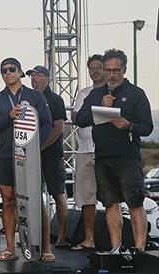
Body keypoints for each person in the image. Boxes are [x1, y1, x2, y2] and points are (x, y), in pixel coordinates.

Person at [76, 49, 153, 252]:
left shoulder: (136, 93)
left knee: (135, 202)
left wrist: (129, 125)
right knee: (110, 204)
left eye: (116, 70)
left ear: (124, 70)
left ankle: (139, 250)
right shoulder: (96, 94)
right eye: (108, 70)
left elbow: (147, 127)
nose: (112, 74)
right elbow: (81, 120)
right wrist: (100, 107)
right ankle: (115, 248)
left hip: (127, 158)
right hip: (102, 156)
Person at [0, 57, 54, 262]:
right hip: (6, 155)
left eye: (12, 69)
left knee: (35, 201)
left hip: (30, 156)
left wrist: (36, 147)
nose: (8, 73)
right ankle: (9, 248)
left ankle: (46, 247)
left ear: (20, 72)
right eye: (3, 70)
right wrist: (9, 115)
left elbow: (48, 123)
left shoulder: (35, 96)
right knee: (8, 202)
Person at [27, 65, 70, 249]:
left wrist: (41, 147)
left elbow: (59, 128)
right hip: (31, 155)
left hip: (51, 155)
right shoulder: (28, 99)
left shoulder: (56, 100)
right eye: (32, 76)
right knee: (32, 195)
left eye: (38, 75)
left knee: (58, 194)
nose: (33, 79)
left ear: (48, 78)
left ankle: (62, 235)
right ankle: (36, 235)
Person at [69, 54, 104, 251]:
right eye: (91, 68)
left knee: (111, 198)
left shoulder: (113, 91)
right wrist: (100, 114)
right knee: (86, 199)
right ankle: (89, 239)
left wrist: (89, 114)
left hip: (106, 151)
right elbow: (76, 117)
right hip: (84, 151)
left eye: (99, 67)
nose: (95, 71)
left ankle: (113, 241)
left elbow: (114, 117)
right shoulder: (84, 92)